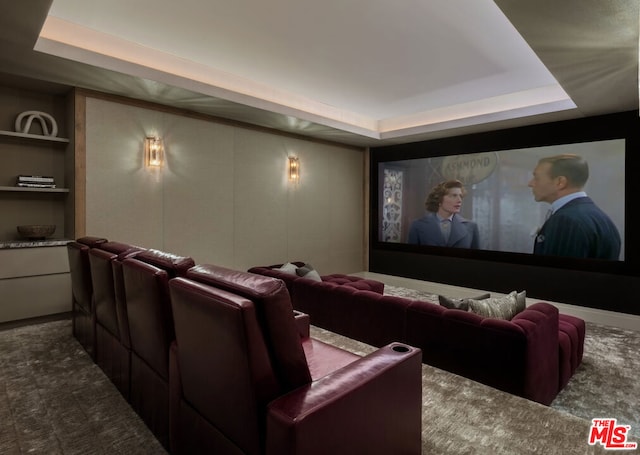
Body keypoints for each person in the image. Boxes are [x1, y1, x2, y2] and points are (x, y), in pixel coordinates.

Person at [528, 154, 621, 259]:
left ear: (560, 182)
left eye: (536, 178)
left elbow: (558, 274)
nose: (530, 183)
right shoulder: (598, 217)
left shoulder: (567, 221)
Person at [408, 180, 479, 248]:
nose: (459, 200)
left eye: (460, 196)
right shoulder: (418, 225)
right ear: (439, 199)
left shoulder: (471, 227)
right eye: (454, 196)